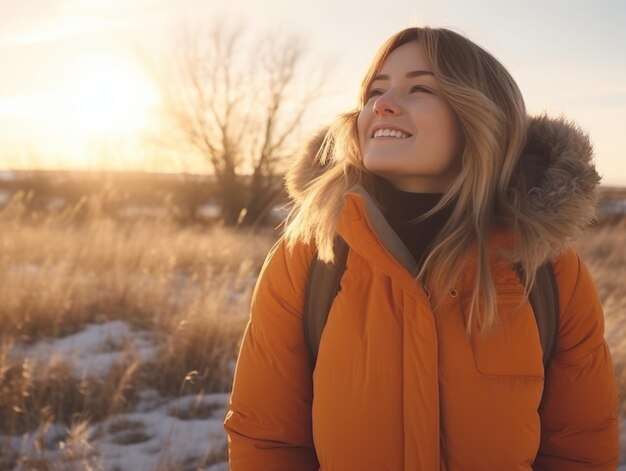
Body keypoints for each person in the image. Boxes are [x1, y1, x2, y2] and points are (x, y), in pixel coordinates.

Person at [223, 27, 620, 470]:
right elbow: (267, 442)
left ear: (482, 116)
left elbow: (579, 451)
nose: (382, 104)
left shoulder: (549, 271)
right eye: (375, 90)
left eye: (420, 88)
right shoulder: (309, 256)